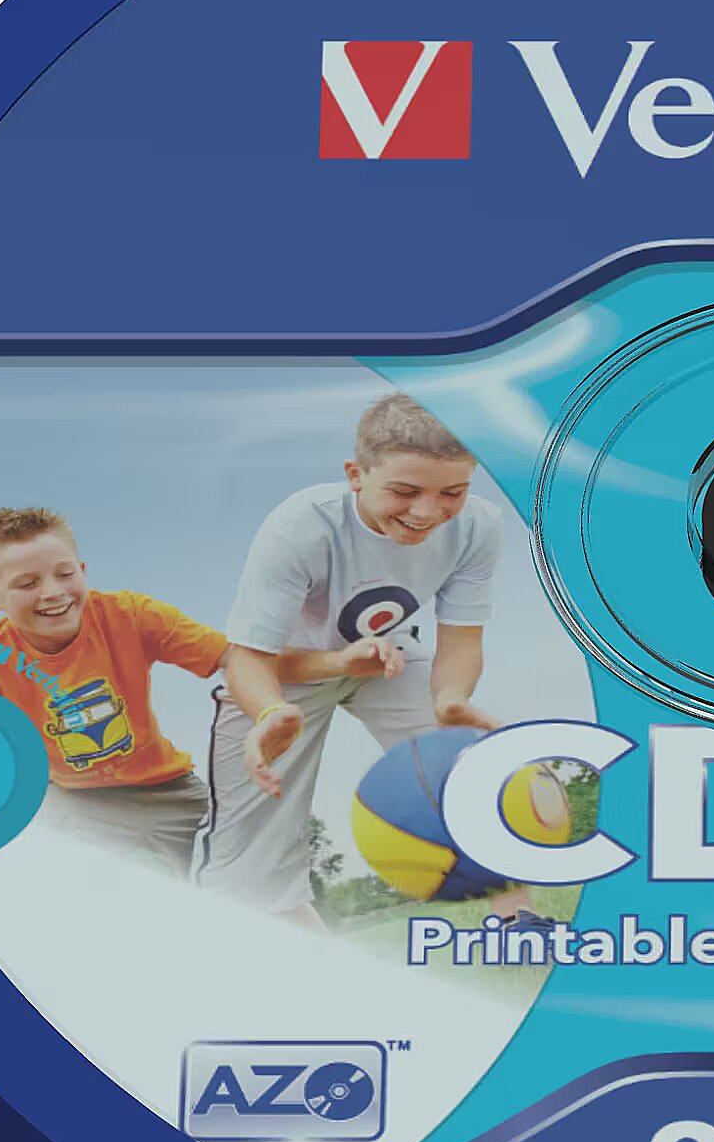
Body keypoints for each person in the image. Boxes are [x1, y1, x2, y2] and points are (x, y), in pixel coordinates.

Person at [193, 395, 532, 924]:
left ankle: (521, 924)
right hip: (283, 676)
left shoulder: (477, 527)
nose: (427, 512)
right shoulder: (302, 527)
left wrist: (450, 699)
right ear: (356, 475)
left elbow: (462, 639)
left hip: (386, 658)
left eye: (452, 492)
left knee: (468, 770)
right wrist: (270, 712)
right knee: (252, 850)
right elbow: (248, 658)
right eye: (404, 491)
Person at [0, 507, 300, 875]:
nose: (53, 592)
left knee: (247, 869)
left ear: (82, 571)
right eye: (27, 584)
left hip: (165, 790)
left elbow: (231, 656)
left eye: (65, 574)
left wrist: (269, 709)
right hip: (70, 802)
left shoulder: (129, 615)